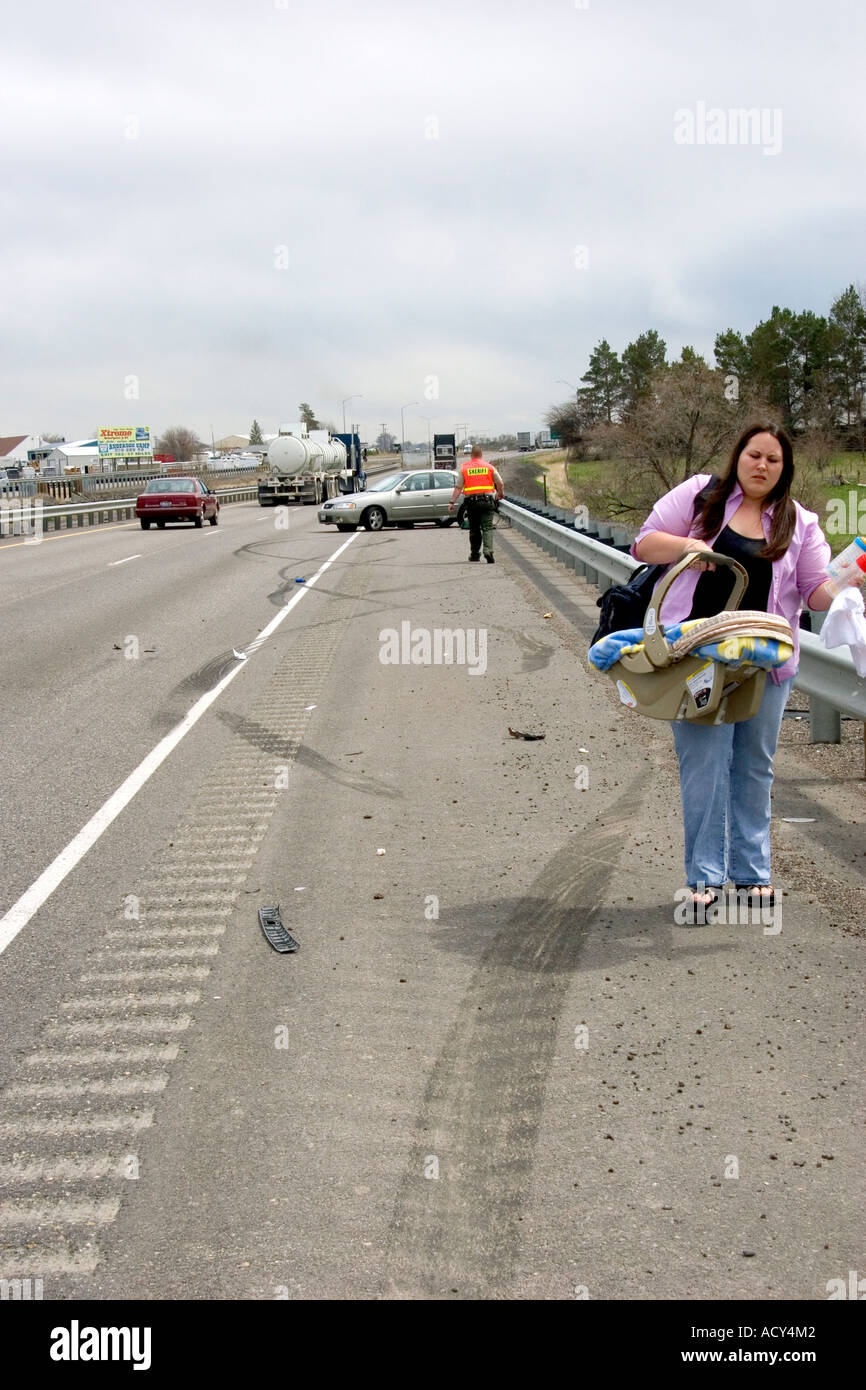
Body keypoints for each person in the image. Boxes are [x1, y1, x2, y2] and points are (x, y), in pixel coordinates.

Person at [631, 423, 866, 920]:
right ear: (739, 457)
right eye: (754, 455)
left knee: (755, 767)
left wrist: (850, 585)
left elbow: (815, 591)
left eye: (773, 460)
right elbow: (645, 544)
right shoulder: (700, 495)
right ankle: (703, 879)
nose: (762, 465)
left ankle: (752, 873)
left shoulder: (799, 522)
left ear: (785, 469)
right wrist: (687, 547)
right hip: (696, 657)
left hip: (764, 663)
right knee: (704, 766)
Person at [448, 446, 504, 562]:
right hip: (487, 501)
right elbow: (500, 483)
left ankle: (475, 554)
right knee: (487, 528)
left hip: (472, 504)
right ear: (481, 454)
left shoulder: (464, 468)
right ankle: (488, 551)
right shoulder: (489, 467)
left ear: (471, 455)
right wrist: (500, 493)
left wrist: (452, 502)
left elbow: (458, 488)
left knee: (474, 529)